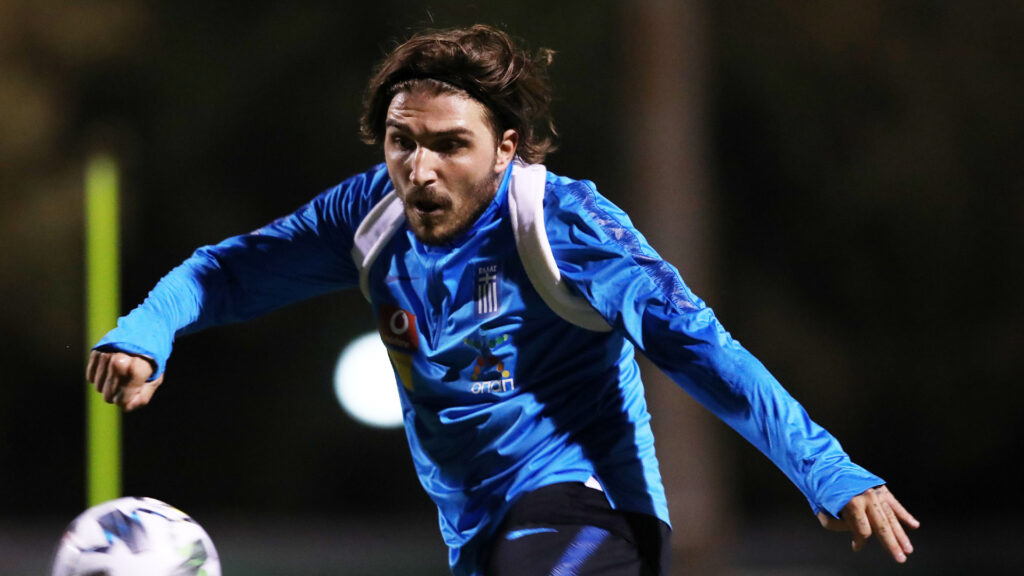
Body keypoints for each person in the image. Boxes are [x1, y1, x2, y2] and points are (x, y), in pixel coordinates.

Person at [86, 24, 918, 576]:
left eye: (450, 145)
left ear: (505, 147)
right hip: (478, 532)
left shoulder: (565, 227)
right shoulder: (366, 215)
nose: (419, 170)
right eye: (401, 142)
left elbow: (701, 348)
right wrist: (146, 331)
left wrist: (823, 469)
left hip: (591, 510)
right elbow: (227, 272)